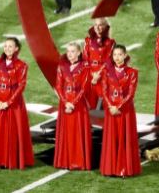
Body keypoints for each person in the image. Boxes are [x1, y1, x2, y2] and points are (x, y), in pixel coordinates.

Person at [0, 37, 34, 169]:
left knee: (14, 131)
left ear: (16, 49)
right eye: (6, 46)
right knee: (0, 131)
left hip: (14, 105)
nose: (7, 48)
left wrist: (8, 102)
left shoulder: (22, 65)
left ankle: (13, 159)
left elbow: (21, 86)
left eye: (10, 46)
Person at [100, 45, 141, 178]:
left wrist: (119, 107)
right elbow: (104, 91)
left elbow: (131, 93)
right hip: (111, 110)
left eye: (120, 55)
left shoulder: (132, 72)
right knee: (112, 138)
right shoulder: (107, 71)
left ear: (125, 55)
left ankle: (124, 168)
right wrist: (111, 106)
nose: (117, 58)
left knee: (125, 138)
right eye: (115, 55)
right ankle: (110, 168)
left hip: (125, 111)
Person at [53, 41, 92, 170]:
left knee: (77, 132)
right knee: (66, 133)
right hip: (65, 104)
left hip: (78, 105)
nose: (70, 54)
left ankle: (78, 161)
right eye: (68, 51)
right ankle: (65, 160)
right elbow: (58, 86)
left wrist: (73, 103)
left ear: (79, 52)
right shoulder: (61, 66)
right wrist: (66, 102)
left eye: (73, 51)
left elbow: (84, 88)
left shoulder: (84, 67)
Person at [83, 18, 115, 109]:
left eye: (100, 25)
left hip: (102, 74)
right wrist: (91, 74)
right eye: (96, 25)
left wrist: (98, 75)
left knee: (103, 100)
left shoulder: (110, 43)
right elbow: (85, 59)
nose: (97, 27)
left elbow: (109, 61)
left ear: (105, 27)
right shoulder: (88, 41)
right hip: (90, 73)